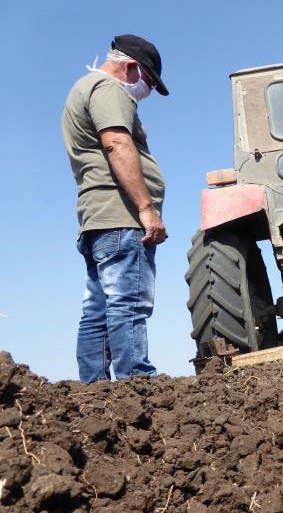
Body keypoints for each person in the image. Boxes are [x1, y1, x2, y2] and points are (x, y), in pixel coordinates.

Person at [61, 34, 169, 382]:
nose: (146, 92)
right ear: (131, 67)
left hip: (97, 218)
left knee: (98, 308)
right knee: (128, 302)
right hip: (121, 217)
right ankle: (136, 383)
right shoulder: (108, 90)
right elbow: (117, 144)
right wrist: (146, 207)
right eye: (148, 83)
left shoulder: (82, 89)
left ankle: (95, 391)